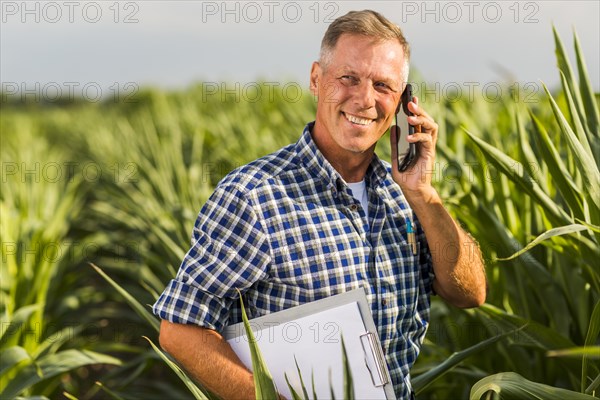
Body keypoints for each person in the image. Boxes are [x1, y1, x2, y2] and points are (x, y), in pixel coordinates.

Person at [153, 9, 487, 400]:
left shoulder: (405, 197)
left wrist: (424, 195)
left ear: (403, 102)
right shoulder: (254, 196)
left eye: (383, 85)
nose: (365, 99)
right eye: (348, 78)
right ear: (316, 79)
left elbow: (470, 294)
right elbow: (180, 330)